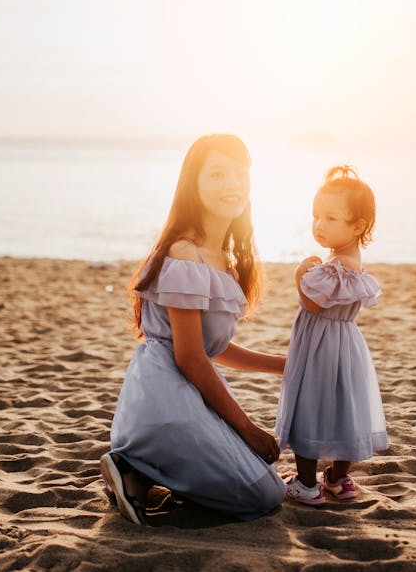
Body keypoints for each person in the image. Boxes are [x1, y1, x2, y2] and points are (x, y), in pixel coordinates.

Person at [101, 134, 288, 525]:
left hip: (182, 389)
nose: (232, 184)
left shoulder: (225, 260)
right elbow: (189, 356)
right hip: (165, 398)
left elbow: (213, 347)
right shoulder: (185, 253)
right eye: (218, 174)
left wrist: (283, 366)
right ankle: (136, 466)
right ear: (194, 184)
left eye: (240, 174)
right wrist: (247, 427)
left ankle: (141, 476)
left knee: (264, 481)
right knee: (264, 495)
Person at [275, 165, 388, 505]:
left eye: (330, 218)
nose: (319, 225)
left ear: (358, 226)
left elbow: (313, 301)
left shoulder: (340, 266)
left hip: (321, 344)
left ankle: (307, 484)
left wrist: (299, 274)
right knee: (344, 407)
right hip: (344, 344)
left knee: (310, 405)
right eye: (316, 216)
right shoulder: (346, 260)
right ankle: (338, 478)